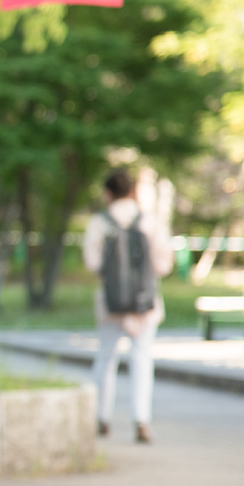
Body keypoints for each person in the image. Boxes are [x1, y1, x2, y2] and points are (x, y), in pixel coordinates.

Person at [82, 169, 173, 444]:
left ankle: (102, 418)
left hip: (111, 304)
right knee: (142, 358)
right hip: (144, 303)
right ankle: (141, 419)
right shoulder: (149, 221)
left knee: (106, 358)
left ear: (107, 193)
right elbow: (163, 264)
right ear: (133, 191)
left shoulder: (99, 223)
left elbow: (92, 263)